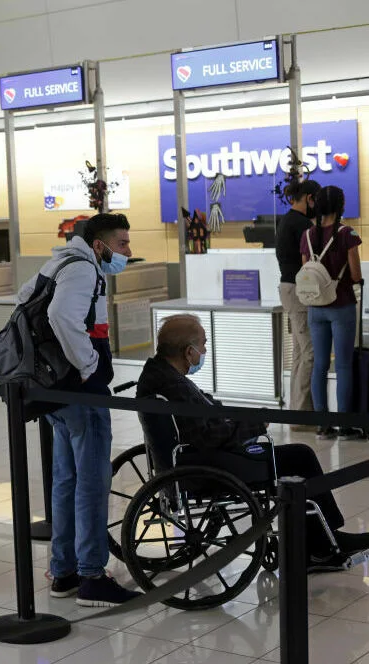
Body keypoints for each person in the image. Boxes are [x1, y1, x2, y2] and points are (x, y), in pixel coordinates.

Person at [138, 314, 369, 570]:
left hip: (193, 460)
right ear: (189, 351)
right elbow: (206, 437)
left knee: (295, 455)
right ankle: (323, 544)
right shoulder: (174, 386)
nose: (205, 351)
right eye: (203, 345)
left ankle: (319, 541)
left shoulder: (160, 374)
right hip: (207, 466)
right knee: (300, 456)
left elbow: (207, 416)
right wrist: (254, 425)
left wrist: (241, 417)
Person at [18, 213, 140, 607]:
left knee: (66, 480)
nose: (128, 251)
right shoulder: (84, 269)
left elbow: (24, 301)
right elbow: (61, 317)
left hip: (55, 390)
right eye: (122, 244)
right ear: (100, 245)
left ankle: (64, 570)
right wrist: (88, 367)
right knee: (91, 481)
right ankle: (91, 575)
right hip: (79, 391)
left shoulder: (58, 262)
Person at [299, 186, 364, 440]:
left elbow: (308, 274)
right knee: (344, 365)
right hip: (342, 305)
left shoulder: (307, 235)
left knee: (320, 366)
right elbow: (356, 274)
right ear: (340, 206)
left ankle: (322, 424)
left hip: (316, 308)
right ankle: (345, 424)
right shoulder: (346, 234)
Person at [275, 179, 322, 426]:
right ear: (308, 197)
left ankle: (297, 411)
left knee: (300, 352)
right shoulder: (302, 224)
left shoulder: (285, 220)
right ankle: (303, 416)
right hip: (298, 290)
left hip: (288, 288)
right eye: (315, 199)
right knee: (310, 352)